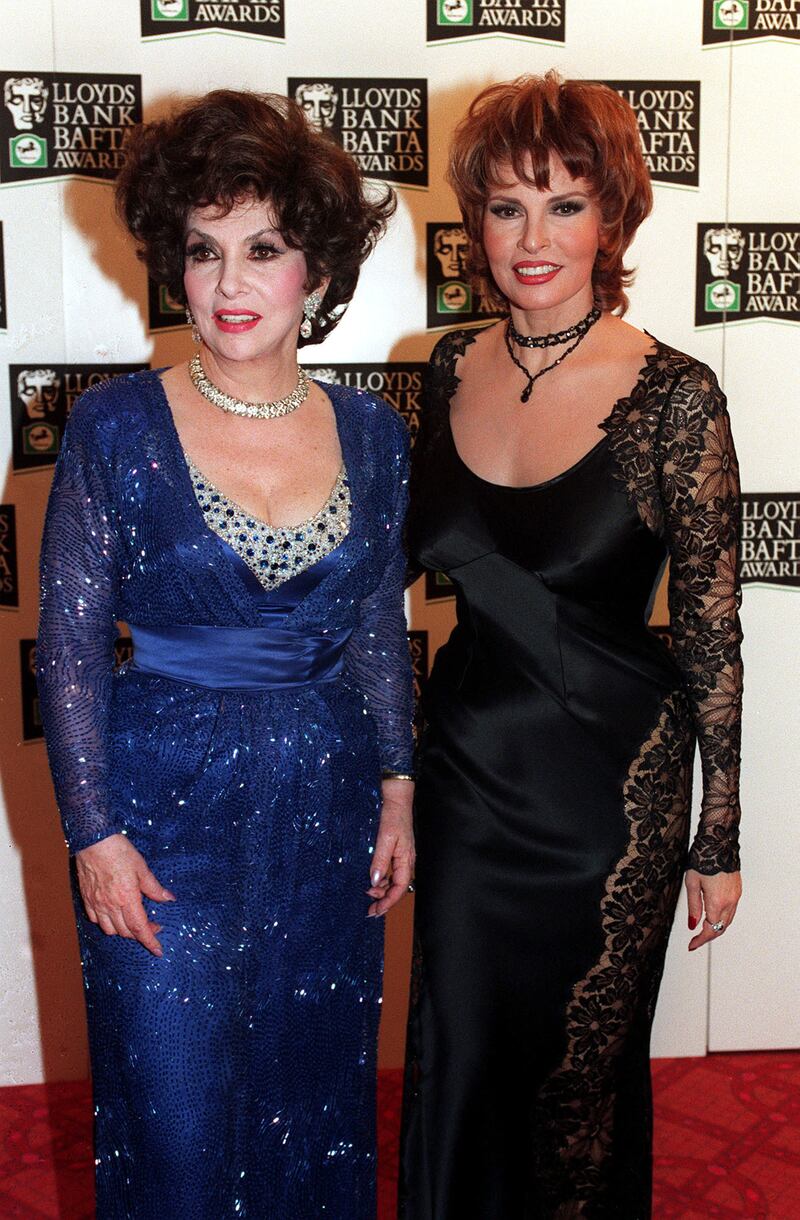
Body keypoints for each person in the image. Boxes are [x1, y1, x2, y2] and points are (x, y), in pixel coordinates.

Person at [37, 90, 415, 1220]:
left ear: (317, 268)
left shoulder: (373, 432)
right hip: (161, 813)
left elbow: (376, 631)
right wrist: (93, 832)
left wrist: (397, 786)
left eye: (264, 249)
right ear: (170, 262)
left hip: (326, 802)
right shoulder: (113, 426)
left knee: (316, 1088)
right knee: (176, 1103)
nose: (231, 282)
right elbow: (64, 641)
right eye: (203, 252)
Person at [400, 72, 743, 1219]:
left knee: (572, 1091)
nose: (531, 237)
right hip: (463, 778)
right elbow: (389, 564)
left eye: (562, 202)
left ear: (613, 214)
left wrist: (718, 831)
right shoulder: (444, 362)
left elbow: (707, 622)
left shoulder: (675, 396)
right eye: (503, 206)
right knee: (457, 1063)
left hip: (607, 798)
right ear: (473, 224)